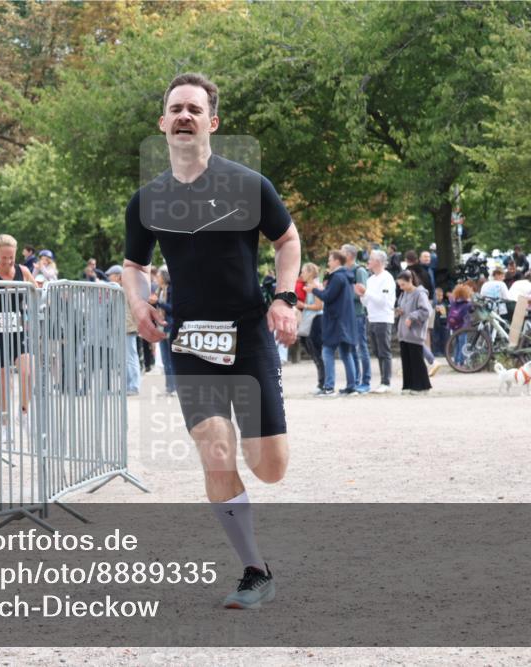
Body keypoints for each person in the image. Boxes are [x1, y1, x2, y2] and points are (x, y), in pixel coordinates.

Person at [123, 73, 299, 610]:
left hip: (248, 336)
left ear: (212, 123)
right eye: (175, 108)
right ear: (162, 122)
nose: (183, 116)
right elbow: (134, 264)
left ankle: (256, 450)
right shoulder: (148, 200)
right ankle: (253, 569)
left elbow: (288, 240)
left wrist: (285, 298)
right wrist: (138, 302)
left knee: (269, 467)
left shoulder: (248, 185)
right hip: (190, 340)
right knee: (215, 453)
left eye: (194, 110)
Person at [0, 234, 35, 419]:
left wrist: (35, 313)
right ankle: (4, 423)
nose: (8, 261)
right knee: (3, 382)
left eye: (11, 256)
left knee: (28, 373)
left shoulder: (23, 271)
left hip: (18, 329)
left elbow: (37, 293)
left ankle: (24, 412)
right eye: (4, 257)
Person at [313, 250, 358, 396]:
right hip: (344, 320)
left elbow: (327, 296)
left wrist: (314, 290)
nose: (328, 262)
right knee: (346, 354)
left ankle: (329, 387)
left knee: (327, 351)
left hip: (336, 321)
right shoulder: (345, 276)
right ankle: (351, 387)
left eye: (330, 260)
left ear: (337, 261)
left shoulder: (338, 277)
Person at [357, 249, 396, 393]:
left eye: (371, 259)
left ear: (378, 262)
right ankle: (382, 380)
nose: (368, 261)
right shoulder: (370, 279)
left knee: (384, 351)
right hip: (372, 318)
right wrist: (362, 295)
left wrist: (366, 293)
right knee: (377, 351)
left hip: (383, 319)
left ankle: (386, 382)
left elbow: (383, 302)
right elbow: (367, 302)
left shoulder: (387, 278)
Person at [395, 270, 433, 393]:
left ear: (410, 281)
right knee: (406, 361)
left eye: (403, 285)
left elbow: (426, 311)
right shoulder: (403, 294)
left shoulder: (420, 294)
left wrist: (412, 316)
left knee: (416, 361)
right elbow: (402, 307)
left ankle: (422, 386)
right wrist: (399, 311)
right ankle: (408, 385)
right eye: (399, 285)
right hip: (403, 332)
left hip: (414, 333)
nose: (401, 288)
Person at [106, 265, 142, 395]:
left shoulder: (127, 289)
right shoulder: (122, 289)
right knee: (126, 358)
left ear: (118, 276)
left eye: (111, 276)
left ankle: (133, 386)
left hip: (127, 328)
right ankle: (128, 386)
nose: (109, 278)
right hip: (122, 328)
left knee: (130, 358)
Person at [342, 244, 371, 393]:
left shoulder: (359, 270)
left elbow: (362, 293)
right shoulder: (343, 271)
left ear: (348, 254)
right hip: (347, 315)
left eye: (342, 252)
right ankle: (354, 381)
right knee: (351, 348)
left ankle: (365, 381)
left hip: (358, 314)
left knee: (362, 348)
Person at [296, 263, 325, 393]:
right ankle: (321, 383)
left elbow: (319, 306)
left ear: (311, 273)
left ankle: (322, 383)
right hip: (309, 321)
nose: (301, 274)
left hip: (316, 321)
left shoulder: (316, 286)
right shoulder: (308, 287)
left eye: (303, 271)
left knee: (317, 353)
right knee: (312, 352)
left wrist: (304, 305)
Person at [148, 265, 176, 396]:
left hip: (170, 326)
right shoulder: (159, 290)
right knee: (165, 360)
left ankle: (175, 388)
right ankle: (169, 388)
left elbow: (172, 309)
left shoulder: (171, 290)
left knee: (171, 359)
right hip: (161, 327)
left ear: (164, 276)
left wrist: (158, 302)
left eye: (158, 276)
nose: (156, 278)